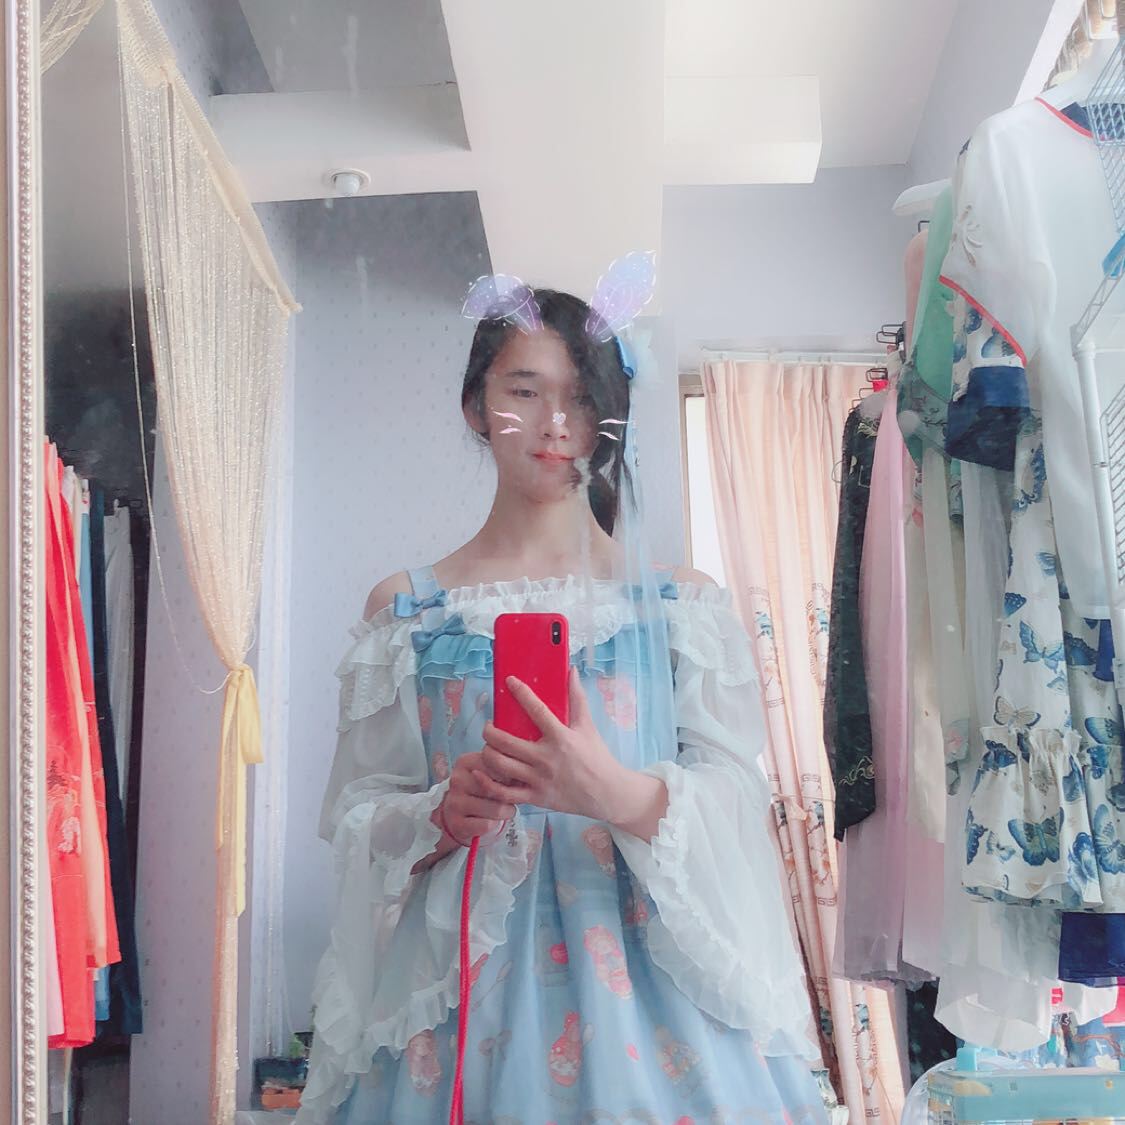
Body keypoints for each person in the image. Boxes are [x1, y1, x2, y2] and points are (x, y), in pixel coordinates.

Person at [296, 288, 827, 1125]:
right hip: (456, 1005)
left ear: (608, 417)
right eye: (524, 390)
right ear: (475, 406)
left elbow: (738, 807)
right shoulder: (407, 612)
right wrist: (442, 815)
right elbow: (358, 817)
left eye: (580, 397)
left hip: (657, 997)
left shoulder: (680, 607)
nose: (554, 422)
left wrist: (613, 790)